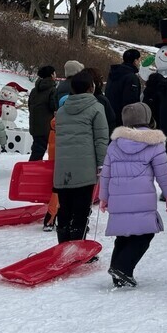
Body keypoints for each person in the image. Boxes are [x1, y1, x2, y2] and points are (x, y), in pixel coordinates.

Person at [98, 102, 167, 288]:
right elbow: (163, 173)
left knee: (123, 235)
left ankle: (118, 272)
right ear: (147, 118)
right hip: (142, 199)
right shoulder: (154, 143)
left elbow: (106, 173)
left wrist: (104, 197)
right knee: (144, 235)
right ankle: (122, 268)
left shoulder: (115, 144)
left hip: (118, 196)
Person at [53, 70, 109, 243]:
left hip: (63, 170)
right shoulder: (96, 108)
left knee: (64, 209)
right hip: (85, 169)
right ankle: (77, 248)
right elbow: (101, 140)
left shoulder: (61, 111)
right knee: (81, 212)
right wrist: (102, 164)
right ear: (91, 87)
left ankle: (63, 246)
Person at [105, 49, 143, 129]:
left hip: (109, 116)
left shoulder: (114, 73)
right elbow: (131, 101)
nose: (139, 62)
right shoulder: (131, 77)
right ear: (135, 61)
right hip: (123, 120)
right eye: (139, 60)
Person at [27, 65, 58, 161]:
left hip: (34, 124)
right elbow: (53, 106)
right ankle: (31, 169)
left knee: (37, 149)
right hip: (46, 125)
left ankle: (31, 167)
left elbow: (29, 105)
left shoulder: (34, 90)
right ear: (52, 75)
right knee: (38, 152)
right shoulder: (52, 90)